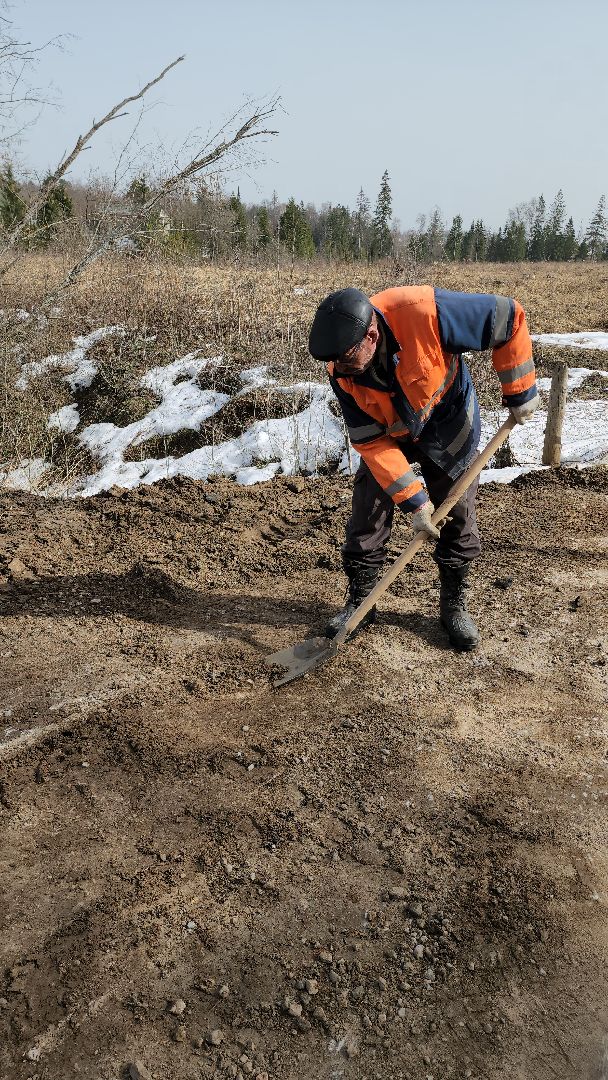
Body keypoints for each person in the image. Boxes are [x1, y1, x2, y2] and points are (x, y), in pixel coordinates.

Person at [308, 285, 539, 650]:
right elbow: (370, 442)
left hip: (446, 423)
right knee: (368, 509)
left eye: (347, 360)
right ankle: (360, 602)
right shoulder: (341, 367)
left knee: (457, 512)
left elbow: (508, 317)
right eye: (336, 363)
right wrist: (414, 502)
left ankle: (453, 606)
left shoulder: (426, 312)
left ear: (371, 334)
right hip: (389, 433)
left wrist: (520, 390)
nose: (340, 370)